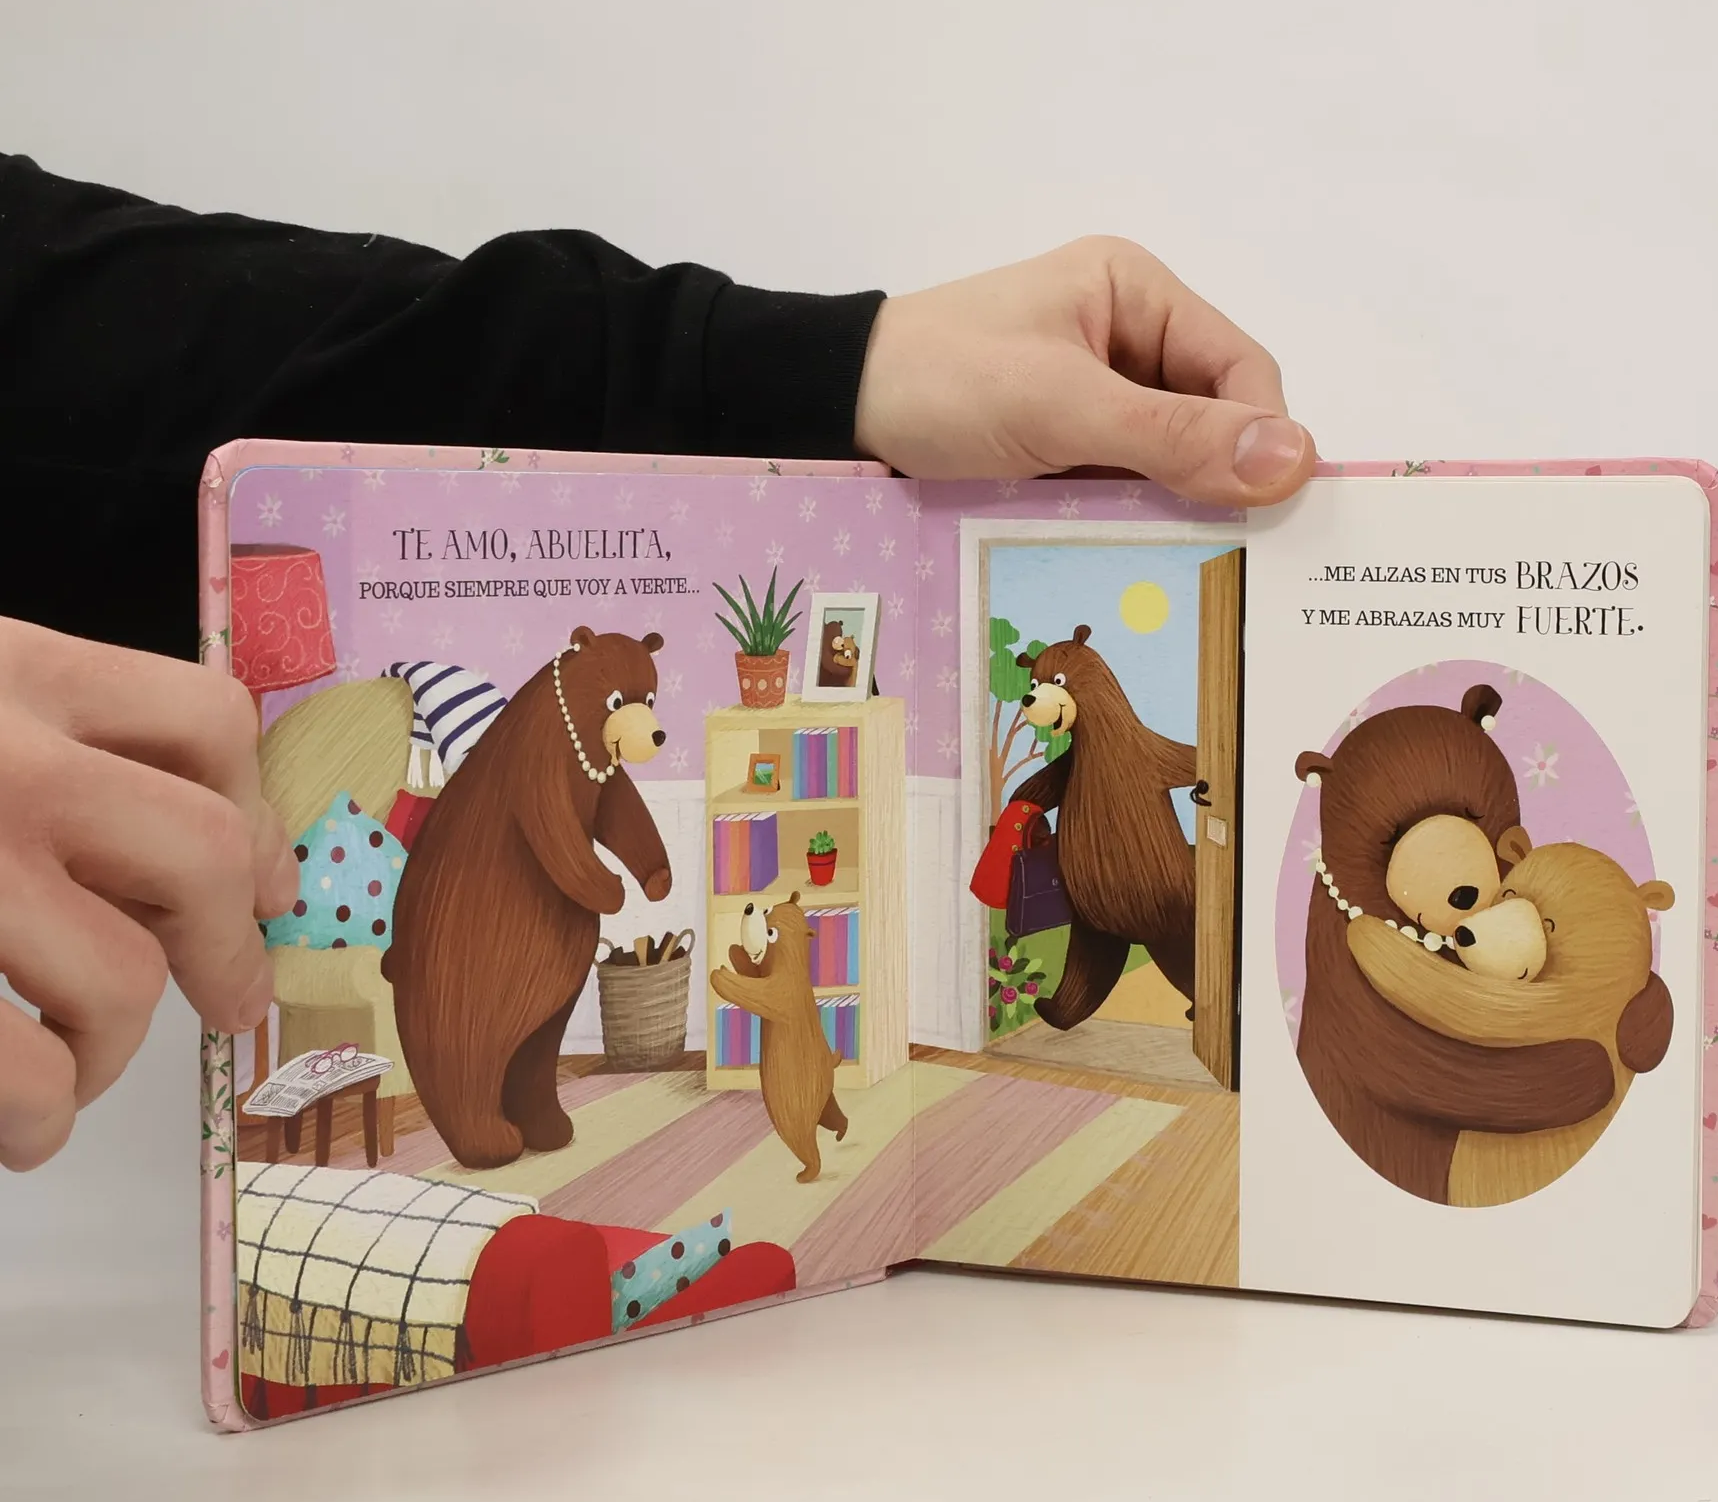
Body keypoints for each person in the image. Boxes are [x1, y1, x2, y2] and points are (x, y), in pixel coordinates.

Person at [0, 151, 1316, 1172]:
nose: (648, 726)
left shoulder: (583, 737)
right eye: (634, 708)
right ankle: (488, 1106)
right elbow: (555, 818)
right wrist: (610, 867)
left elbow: (80, 328)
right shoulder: (538, 743)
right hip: (483, 949)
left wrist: (822, 367)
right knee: (488, 1029)